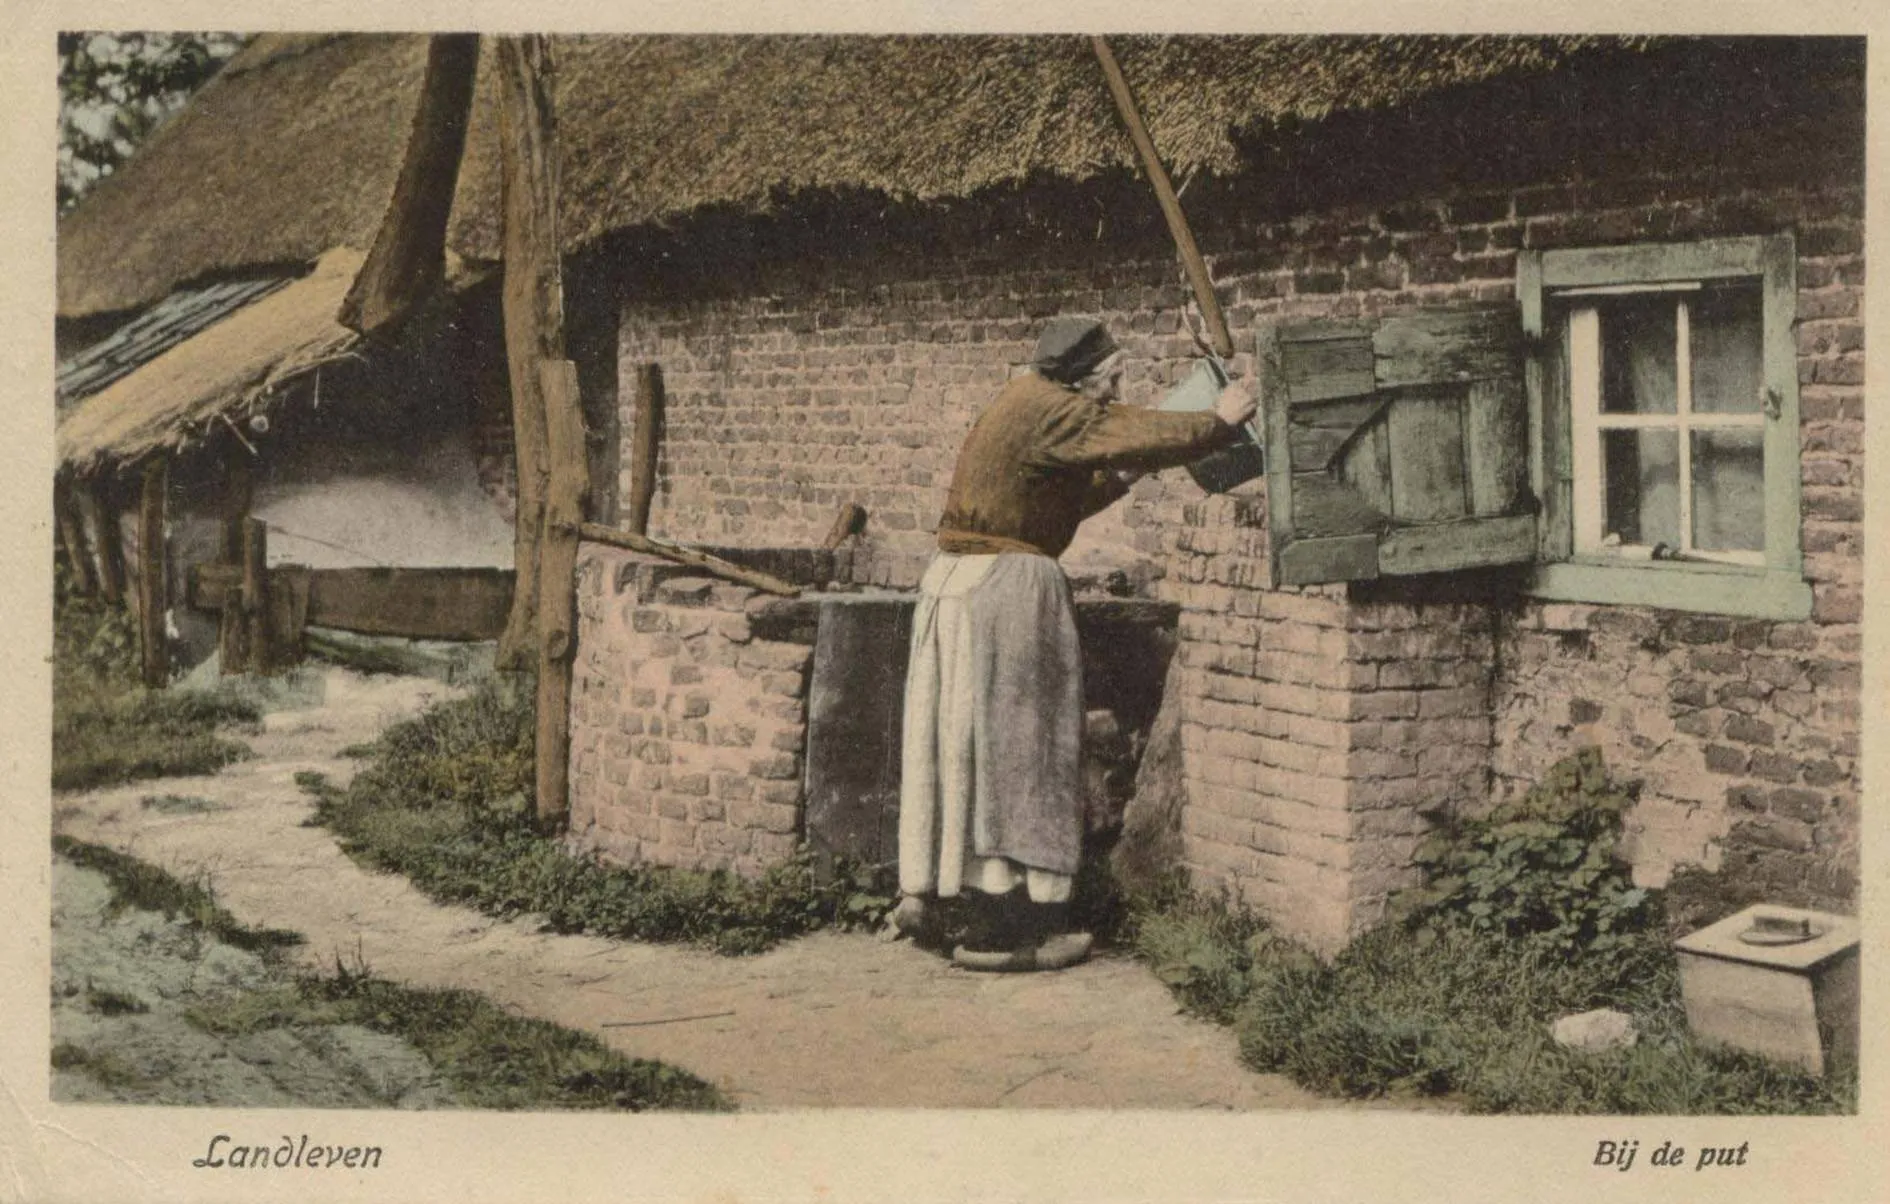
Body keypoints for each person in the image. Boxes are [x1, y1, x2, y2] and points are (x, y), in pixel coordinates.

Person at [890, 315, 1258, 971]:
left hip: (961, 585)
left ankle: (938, 900)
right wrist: (1221, 418)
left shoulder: (1024, 405)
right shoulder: (1057, 407)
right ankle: (1004, 935)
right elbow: (1141, 431)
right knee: (1021, 754)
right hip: (1004, 589)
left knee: (967, 749)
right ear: (1088, 378)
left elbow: (1058, 493)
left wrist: (1122, 479)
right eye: (1113, 382)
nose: (1116, 395)